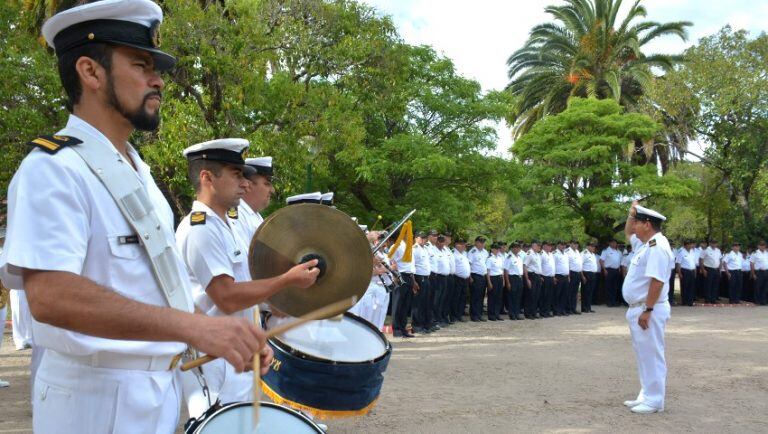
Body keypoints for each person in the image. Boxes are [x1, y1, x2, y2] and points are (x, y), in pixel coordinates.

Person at [0, 2, 274, 432]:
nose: (158, 80)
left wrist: (222, 335)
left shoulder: (138, 171)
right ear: (91, 73)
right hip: (93, 398)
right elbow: (51, 296)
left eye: (156, 68)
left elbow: (155, 288)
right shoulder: (53, 169)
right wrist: (196, 327)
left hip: (156, 389)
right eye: (141, 65)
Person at [175, 139, 318, 418]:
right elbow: (227, 297)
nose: (245, 183)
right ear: (207, 177)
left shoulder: (224, 225)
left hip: (234, 351)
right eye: (236, 174)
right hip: (212, 357)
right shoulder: (200, 228)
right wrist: (286, 280)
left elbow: (244, 293)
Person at [621, 202, 674, 414]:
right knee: (643, 354)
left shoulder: (658, 246)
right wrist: (630, 212)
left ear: (648, 224)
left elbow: (657, 281)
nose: (633, 226)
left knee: (651, 354)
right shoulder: (646, 244)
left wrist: (648, 310)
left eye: (637, 222)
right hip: (639, 307)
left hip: (648, 309)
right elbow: (627, 234)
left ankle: (654, 400)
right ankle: (647, 393)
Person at [231, 156, 274, 250]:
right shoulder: (237, 216)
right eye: (267, 184)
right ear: (249, 185)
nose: (272, 190)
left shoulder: (255, 215)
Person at [390, 231, 416, 338]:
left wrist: (414, 280)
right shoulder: (396, 246)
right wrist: (394, 276)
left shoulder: (408, 246)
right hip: (400, 276)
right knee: (398, 304)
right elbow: (390, 261)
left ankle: (403, 328)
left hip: (409, 276)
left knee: (405, 305)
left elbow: (410, 265)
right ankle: (396, 329)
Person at [411, 231, 433, 332]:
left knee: (426, 302)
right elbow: (412, 266)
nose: (424, 240)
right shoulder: (414, 249)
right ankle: (417, 325)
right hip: (419, 277)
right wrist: (414, 281)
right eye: (421, 238)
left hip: (426, 278)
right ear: (416, 238)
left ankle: (425, 324)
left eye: (425, 238)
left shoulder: (425, 248)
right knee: (418, 303)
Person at [467, 236, 489, 322]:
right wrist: (470, 277)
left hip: (483, 276)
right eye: (480, 242)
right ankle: (474, 315)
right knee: (475, 296)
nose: (482, 244)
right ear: (476, 242)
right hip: (475, 276)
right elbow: (468, 264)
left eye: (483, 242)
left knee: (481, 296)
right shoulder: (472, 252)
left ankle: (479, 314)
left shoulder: (485, 252)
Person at [503, 242, 524, 320]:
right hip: (512, 278)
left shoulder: (519, 257)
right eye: (515, 247)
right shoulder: (509, 257)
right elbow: (506, 270)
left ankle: (517, 313)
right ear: (512, 248)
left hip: (519, 278)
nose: (517, 249)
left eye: (518, 247)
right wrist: (508, 282)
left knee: (518, 296)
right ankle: (512, 314)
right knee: (512, 296)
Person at [452, 239, 471, 322]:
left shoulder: (464, 254)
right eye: (462, 244)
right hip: (457, 278)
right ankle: (454, 316)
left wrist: (469, 276)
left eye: (464, 244)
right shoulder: (453, 253)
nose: (464, 246)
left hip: (465, 279)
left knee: (463, 297)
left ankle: (460, 315)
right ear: (456, 245)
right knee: (456, 297)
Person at [523, 241, 543, 319]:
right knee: (530, 295)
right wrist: (527, 279)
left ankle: (534, 312)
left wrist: (540, 276)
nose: (539, 247)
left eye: (539, 246)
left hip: (537, 276)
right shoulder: (529, 254)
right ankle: (528, 313)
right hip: (531, 276)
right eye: (537, 246)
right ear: (533, 245)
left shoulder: (537, 254)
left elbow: (538, 267)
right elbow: (525, 266)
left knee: (536, 295)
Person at [485, 243, 505, 321]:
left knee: (499, 297)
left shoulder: (500, 258)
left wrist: (503, 280)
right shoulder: (490, 259)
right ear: (492, 249)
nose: (498, 250)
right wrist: (489, 282)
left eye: (498, 249)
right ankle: (491, 314)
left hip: (499, 277)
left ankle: (497, 314)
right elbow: (488, 271)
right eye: (496, 249)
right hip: (493, 278)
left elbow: (502, 270)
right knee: (492, 297)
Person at [600, 240, 622, 306]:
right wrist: (604, 269)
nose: (614, 243)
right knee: (608, 286)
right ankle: (609, 301)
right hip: (608, 270)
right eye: (612, 242)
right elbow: (601, 260)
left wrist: (620, 269)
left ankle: (613, 301)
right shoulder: (606, 251)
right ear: (609, 243)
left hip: (616, 270)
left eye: (615, 242)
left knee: (615, 286)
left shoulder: (619, 252)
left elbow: (620, 261)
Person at [676, 240, 698, 306]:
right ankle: (684, 301)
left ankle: (690, 301)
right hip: (684, 271)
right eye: (688, 244)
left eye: (690, 244)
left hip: (692, 271)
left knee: (691, 287)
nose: (690, 246)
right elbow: (678, 263)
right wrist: (679, 273)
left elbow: (694, 263)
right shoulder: (681, 252)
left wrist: (695, 272)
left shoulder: (692, 252)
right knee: (684, 286)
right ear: (685, 245)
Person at [539, 242, 556, 317]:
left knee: (549, 295)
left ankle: (547, 311)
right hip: (544, 277)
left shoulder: (551, 254)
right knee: (544, 295)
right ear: (544, 246)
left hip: (551, 277)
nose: (550, 247)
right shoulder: (541, 254)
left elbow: (552, 266)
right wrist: (540, 276)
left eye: (551, 246)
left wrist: (553, 277)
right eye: (548, 246)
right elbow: (538, 265)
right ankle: (543, 312)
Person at [581, 242, 599, 313]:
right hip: (586, 274)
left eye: (594, 247)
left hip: (593, 274)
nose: (593, 248)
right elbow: (581, 265)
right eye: (592, 246)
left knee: (590, 291)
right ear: (587, 246)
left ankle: (588, 307)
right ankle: (584, 308)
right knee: (585, 291)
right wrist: (582, 276)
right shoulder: (584, 253)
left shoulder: (593, 254)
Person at [565, 241, 583, 315]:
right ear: (571, 244)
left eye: (577, 244)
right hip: (571, 273)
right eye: (574, 243)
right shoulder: (567, 251)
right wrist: (568, 275)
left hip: (578, 273)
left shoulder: (577, 251)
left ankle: (573, 308)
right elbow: (567, 264)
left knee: (575, 292)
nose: (576, 245)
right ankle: (568, 309)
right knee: (569, 292)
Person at [553, 241, 570, 316]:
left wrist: (568, 276)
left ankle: (562, 309)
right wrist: (553, 277)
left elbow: (567, 265)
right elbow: (552, 265)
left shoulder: (566, 254)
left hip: (565, 276)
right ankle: (556, 310)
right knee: (557, 294)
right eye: (562, 245)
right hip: (558, 276)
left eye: (564, 245)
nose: (563, 246)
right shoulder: (554, 254)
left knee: (564, 294)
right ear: (558, 245)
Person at [751, 240, 768, 305]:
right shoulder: (755, 253)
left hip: (766, 272)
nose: (762, 246)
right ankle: (757, 301)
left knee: (765, 287)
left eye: (764, 245)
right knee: (757, 287)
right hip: (759, 272)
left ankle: (763, 301)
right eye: (761, 245)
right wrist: (753, 274)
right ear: (758, 246)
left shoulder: (766, 253)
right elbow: (752, 264)